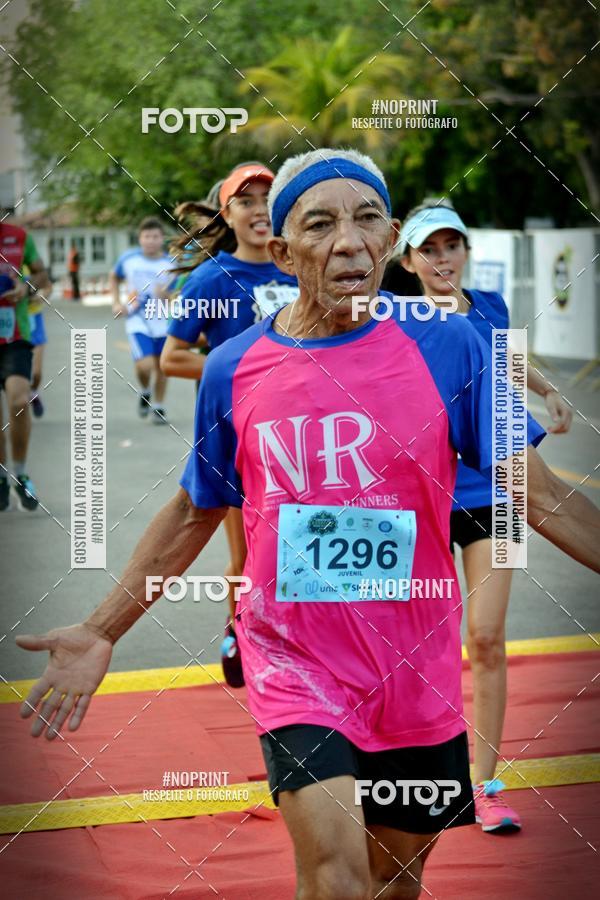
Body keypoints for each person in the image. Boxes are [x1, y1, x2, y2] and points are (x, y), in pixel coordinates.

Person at [15, 149, 600, 900]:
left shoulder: (451, 347)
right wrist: (101, 629)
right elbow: (197, 506)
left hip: (413, 668)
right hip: (296, 663)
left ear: (390, 239)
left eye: (364, 221)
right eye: (319, 224)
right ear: (284, 253)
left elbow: (542, 494)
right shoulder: (235, 367)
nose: (347, 241)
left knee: (395, 877)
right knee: (335, 878)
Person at [398, 199, 573, 833]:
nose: (444, 258)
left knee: (488, 637)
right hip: (418, 498)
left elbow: (504, 358)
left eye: (453, 246)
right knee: (415, 644)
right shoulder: (395, 318)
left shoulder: (492, 306)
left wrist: (545, 386)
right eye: (430, 249)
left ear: (465, 250)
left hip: (495, 492)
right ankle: (409, 780)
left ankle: (486, 785)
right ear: (408, 258)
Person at [161, 162, 298, 683]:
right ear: (228, 213)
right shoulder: (213, 278)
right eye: (247, 200)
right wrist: (244, 376)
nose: (260, 208)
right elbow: (173, 357)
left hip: (308, 435)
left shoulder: (300, 266)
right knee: (248, 554)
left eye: (268, 197)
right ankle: (238, 631)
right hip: (243, 438)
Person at [0, 221, 51, 511]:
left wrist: (25, 286)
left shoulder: (19, 237)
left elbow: (42, 275)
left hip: (15, 334)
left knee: (19, 401)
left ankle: (20, 473)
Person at [111, 217, 174, 425]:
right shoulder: (129, 260)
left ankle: (159, 405)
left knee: (163, 366)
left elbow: (180, 292)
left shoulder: (171, 264)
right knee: (145, 366)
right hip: (137, 319)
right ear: (140, 239)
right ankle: (146, 390)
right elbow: (114, 276)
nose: (151, 241)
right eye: (147, 236)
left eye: (155, 236)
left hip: (163, 322)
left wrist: (167, 296)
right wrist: (116, 302)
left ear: (162, 239)